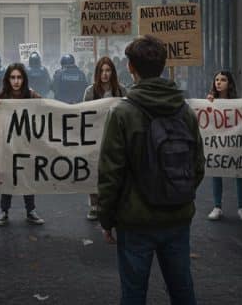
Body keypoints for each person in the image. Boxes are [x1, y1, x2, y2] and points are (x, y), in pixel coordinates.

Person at [98, 35, 203, 305]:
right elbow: (198, 165)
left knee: (133, 293)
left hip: (136, 220)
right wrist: (179, 192)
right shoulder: (185, 111)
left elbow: (111, 173)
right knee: (182, 289)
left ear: (130, 68)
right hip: (177, 216)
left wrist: (106, 218)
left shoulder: (122, 113)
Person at [0, 63, 45, 227]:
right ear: (8, 79)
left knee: (27, 176)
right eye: (13, 77)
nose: (16, 81)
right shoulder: (1, 95)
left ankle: (31, 210)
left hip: (27, 143)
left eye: (19, 77)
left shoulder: (31, 95)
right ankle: (4, 211)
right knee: (8, 176)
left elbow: (45, 110)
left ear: (24, 79)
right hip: (8, 145)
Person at [82, 56, 126, 221]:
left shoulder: (121, 91)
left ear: (113, 72)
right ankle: (94, 205)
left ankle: (114, 204)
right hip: (95, 137)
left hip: (115, 138)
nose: (105, 74)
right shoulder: (90, 91)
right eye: (102, 71)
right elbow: (84, 113)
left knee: (115, 171)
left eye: (108, 70)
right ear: (97, 73)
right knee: (95, 171)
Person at [205, 70, 242, 222]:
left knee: (239, 173)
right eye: (217, 79)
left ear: (229, 83)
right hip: (218, 143)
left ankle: (241, 207)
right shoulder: (210, 101)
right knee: (216, 172)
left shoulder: (237, 103)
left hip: (234, 143)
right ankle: (217, 207)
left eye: (223, 80)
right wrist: (208, 103)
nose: (218, 82)